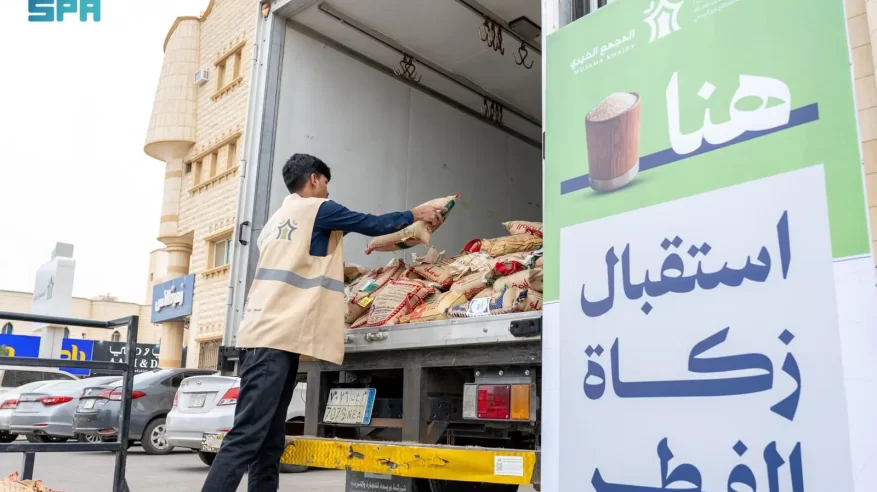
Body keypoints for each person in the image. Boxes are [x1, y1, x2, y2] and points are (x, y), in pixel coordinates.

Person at [201, 153, 446, 492]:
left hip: (271, 337)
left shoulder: (277, 221)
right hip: (271, 341)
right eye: (326, 183)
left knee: (269, 443)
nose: (328, 191)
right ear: (314, 179)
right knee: (246, 437)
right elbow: (372, 224)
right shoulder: (317, 210)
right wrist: (416, 214)